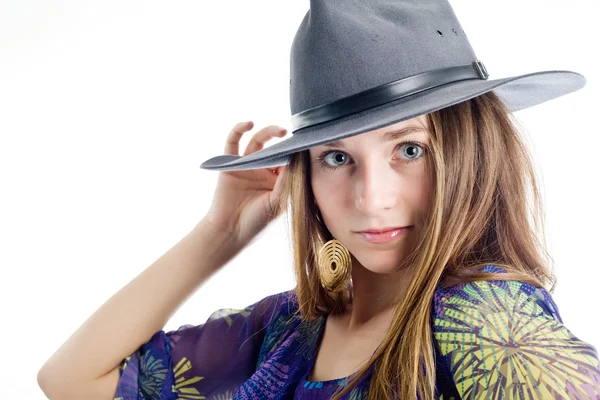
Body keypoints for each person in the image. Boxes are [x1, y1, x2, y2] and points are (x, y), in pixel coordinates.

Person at [37, 1, 600, 399]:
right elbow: (70, 381)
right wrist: (219, 234)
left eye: (409, 149)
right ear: (303, 174)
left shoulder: (483, 316)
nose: (371, 198)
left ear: (472, 151)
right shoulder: (287, 330)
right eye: (335, 157)